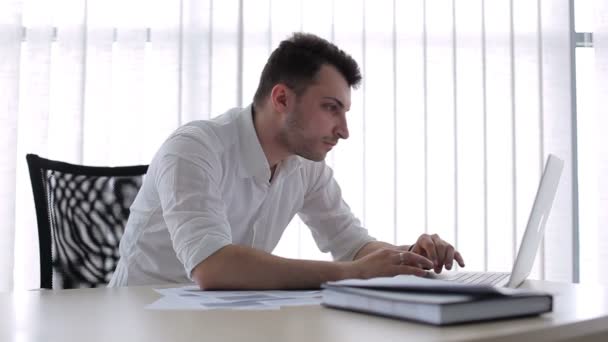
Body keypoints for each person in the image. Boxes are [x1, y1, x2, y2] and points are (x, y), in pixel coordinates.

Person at [109, 32, 465, 289]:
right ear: (281, 99)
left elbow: (352, 245)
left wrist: (407, 258)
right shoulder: (193, 149)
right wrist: (355, 273)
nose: (343, 130)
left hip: (223, 320)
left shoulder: (307, 167)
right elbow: (212, 267)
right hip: (142, 318)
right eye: (331, 108)